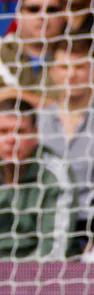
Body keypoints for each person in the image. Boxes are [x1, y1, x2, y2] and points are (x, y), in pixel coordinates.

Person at [0, 96, 74, 259]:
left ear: (35, 133)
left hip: (36, 274)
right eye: (3, 131)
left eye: (20, 131)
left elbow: (54, 248)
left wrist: (22, 277)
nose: (11, 139)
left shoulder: (55, 173)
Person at [37, 37, 94, 253]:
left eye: (80, 67)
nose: (71, 75)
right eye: (64, 67)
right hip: (44, 226)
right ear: (52, 71)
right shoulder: (38, 120)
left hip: (88, 225)